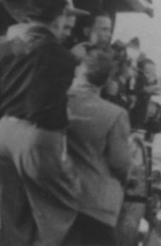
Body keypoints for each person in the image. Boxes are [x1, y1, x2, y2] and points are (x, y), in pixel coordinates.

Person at [0, 0, 88, 246]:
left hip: (3, 135)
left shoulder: (5, 50)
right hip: (37, 137)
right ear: (58, 18)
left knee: (10, 213)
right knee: (59, 206)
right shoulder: (64, 57)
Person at [65, 49, 131, 246]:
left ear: (78, 71)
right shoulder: (115, 114)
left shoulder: (57, 103)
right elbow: (120, 163)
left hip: (58, 201)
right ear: (105, 81)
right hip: (96, 205)